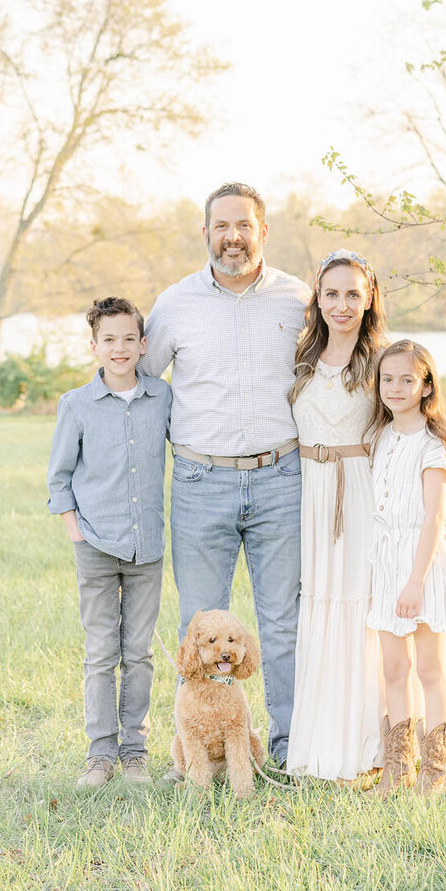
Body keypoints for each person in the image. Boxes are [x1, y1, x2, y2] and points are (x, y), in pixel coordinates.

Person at [139, 182, 309, 766]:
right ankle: (201, 757)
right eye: (221, 226)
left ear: (263, 232)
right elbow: (136, 379)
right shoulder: (176, 304)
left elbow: (341, 376)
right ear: (205, 233)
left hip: (280, 477)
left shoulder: (299, 300)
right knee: (199, 631)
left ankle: (287, 750)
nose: (232, 237)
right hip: (198, 481)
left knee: (283, 621)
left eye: (244, 226)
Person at [47, 296, 172, 789]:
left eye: (127, 339)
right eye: (108, 339)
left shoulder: (162, 397)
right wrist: (76, 532)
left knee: (138, 652)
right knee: (101, 652)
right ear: (94, 346)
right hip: (96, 544)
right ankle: (100, 755)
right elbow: (59, 478)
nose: (118, 348)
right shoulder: (75, 404)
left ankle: (135, 753)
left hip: (147, 547)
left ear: (143, 345)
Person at [365, 338, 446, 798]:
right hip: (386, 563)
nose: (395, 388)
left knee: (429, 670)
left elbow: (435, 516)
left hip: (422, 566)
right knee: (393, 668)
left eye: (407, 380)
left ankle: (435, 768)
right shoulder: (382, 436)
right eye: (387, 379)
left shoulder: (433, 444)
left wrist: (415, 582)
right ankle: (399, 766)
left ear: (426, 385)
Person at [286, 248, 387, 782]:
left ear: (369, 298)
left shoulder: (383, 362)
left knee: (358, 608)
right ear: (318, 300)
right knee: (317, 609)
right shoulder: (300, 359)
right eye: (331, 293)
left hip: (360, 497)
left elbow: (418, 434)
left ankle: (367, 745)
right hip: (308, 494)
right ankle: (317, 743)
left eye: (353, 293)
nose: (342, 304)